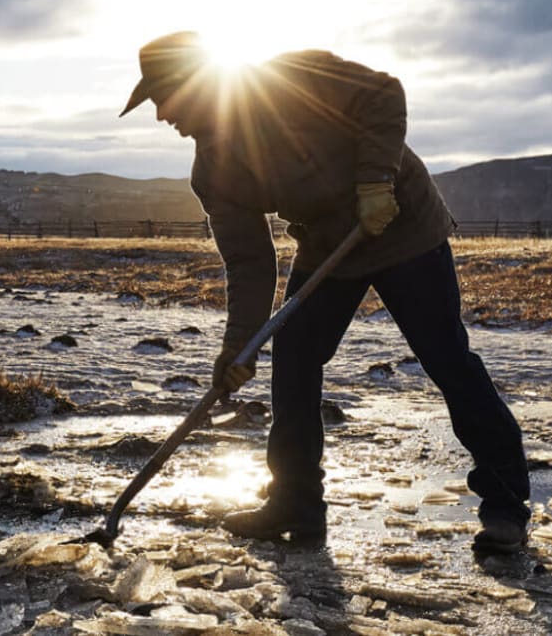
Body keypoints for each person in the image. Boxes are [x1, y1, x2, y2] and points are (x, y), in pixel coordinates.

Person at [119, 31, 530, 553]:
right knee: (293, 357)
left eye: (162, 98)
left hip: (399, 224)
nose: (160, 116)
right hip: (327, 246)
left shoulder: (286, 79)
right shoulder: (213, 172)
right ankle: (296, 503)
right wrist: (238, 347)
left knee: (446, 357)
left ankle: (505, 505)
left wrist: (376, 180)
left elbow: (383, 93)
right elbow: (249, 262)